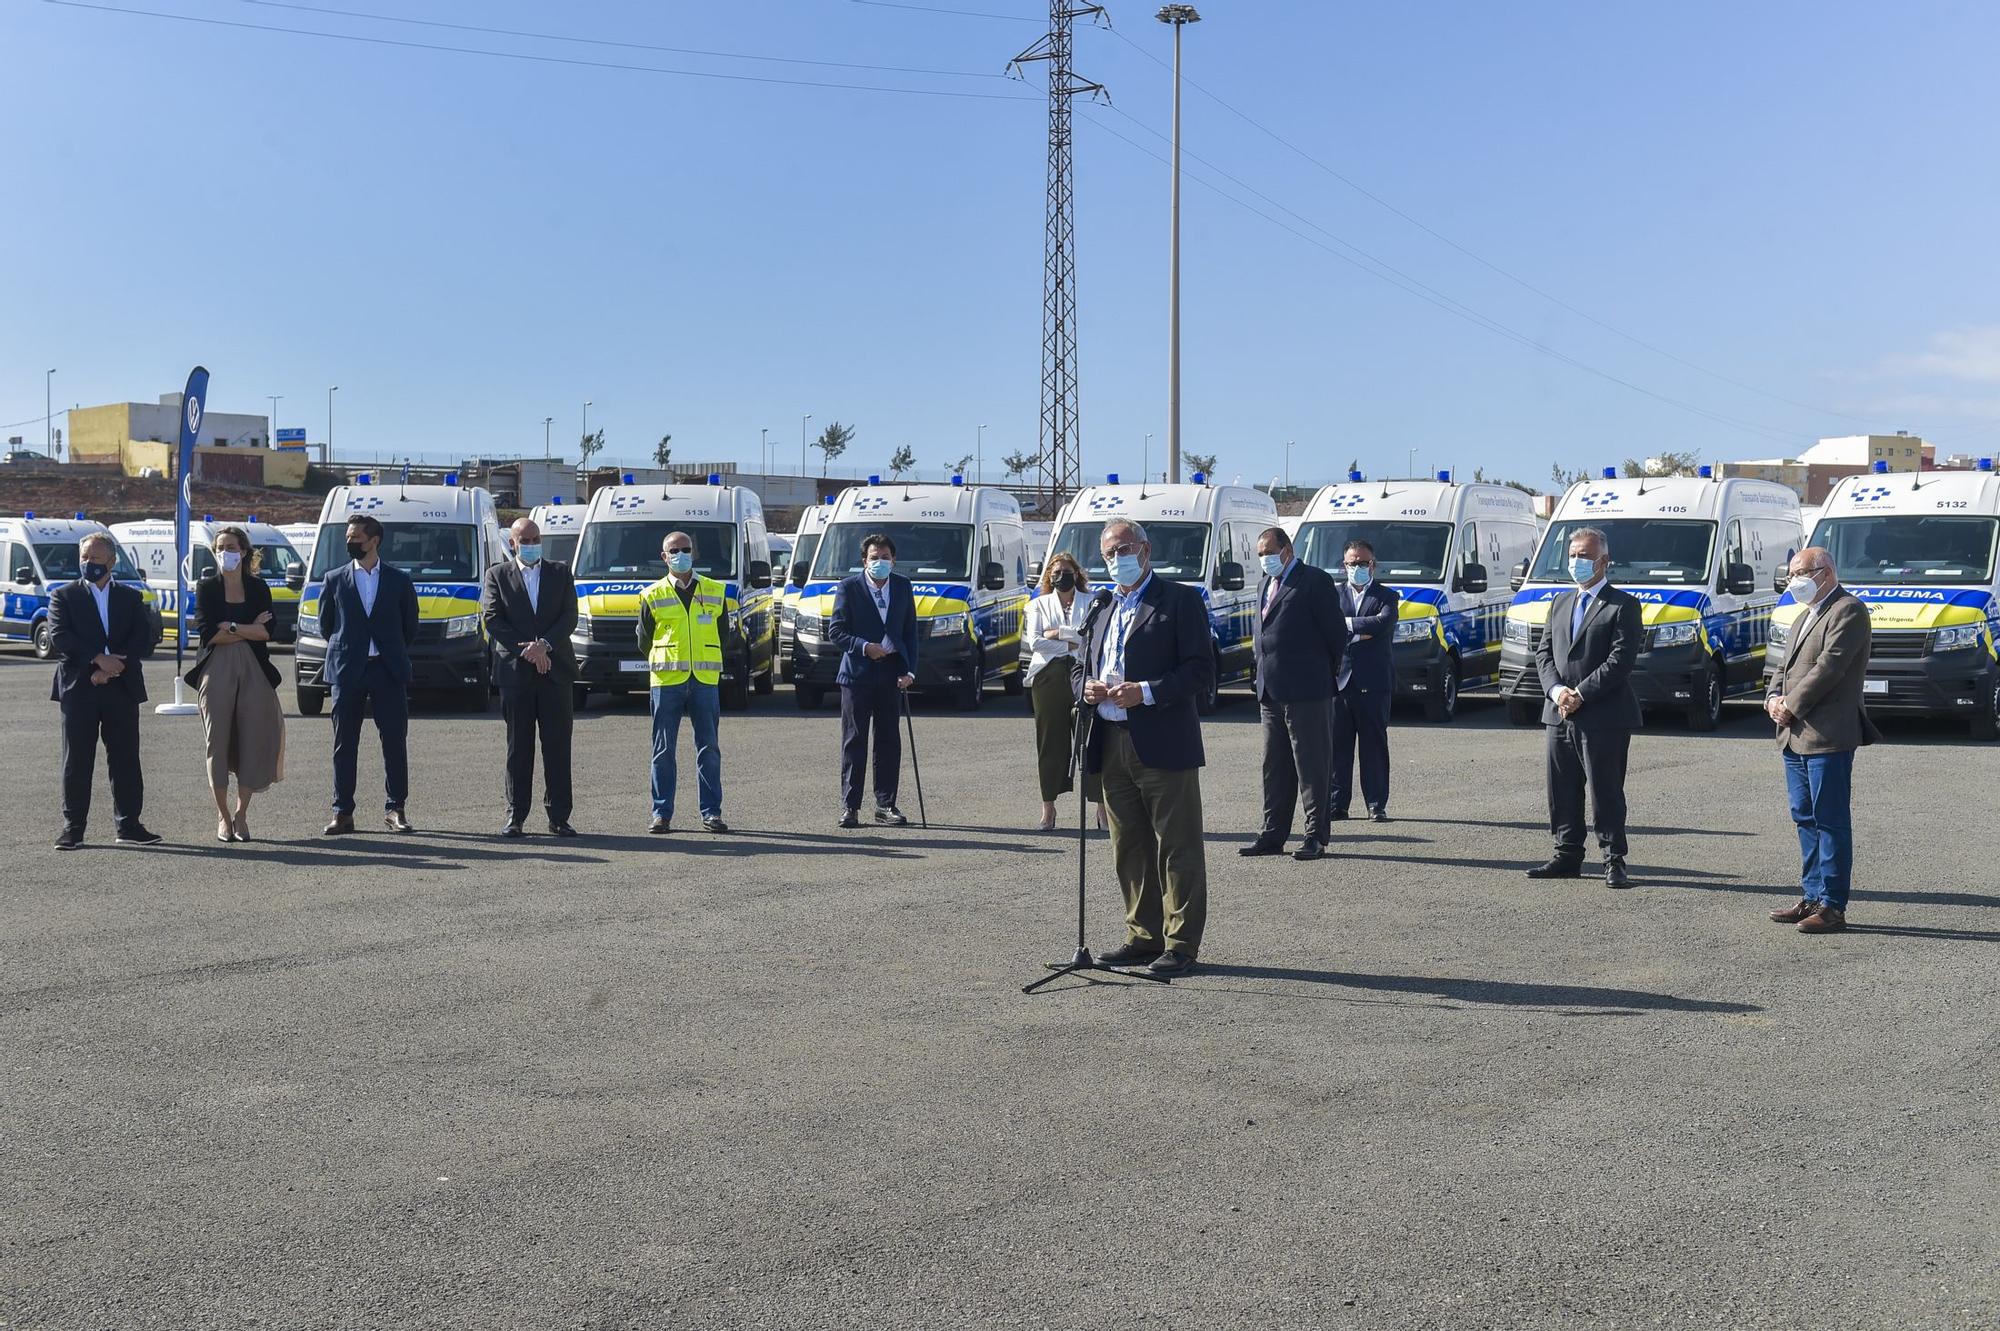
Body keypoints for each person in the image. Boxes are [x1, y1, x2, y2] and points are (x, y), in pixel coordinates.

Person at [1073, 518, 1213, 976]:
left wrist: (1146, 691)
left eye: (1124, 549)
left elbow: (1199, 671)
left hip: (1163, 742)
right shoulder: (1101, 604)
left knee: (1177, 845)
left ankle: (1181, 945)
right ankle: (1143, 935)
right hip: (1110, 742)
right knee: (1128, 845)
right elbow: (1077, 667)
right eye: (1109, 553)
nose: (1117, 559)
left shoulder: (1179, 600)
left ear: (1146, 550)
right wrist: (1087, 688)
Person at [1764, 547, 1879, 934]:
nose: (1793, 579)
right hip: (1793, 735)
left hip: (1828, 734)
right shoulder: (1803, 615)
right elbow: (1783, 664)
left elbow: (1828, 668)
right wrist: (1772, 699)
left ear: (1825, 572)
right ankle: (1812, 895)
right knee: (1804, 816)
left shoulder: (1848, 610)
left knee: (1830, 820)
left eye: (1799, 572)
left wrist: (1791, 705)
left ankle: (1832, 905)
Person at [1530, 526, 1643, 887]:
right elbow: (1543, 653)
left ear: (1604, 561)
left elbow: (1620, 660)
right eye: (1573, 555)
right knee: (1561, 788)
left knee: (1605, 789)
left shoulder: (1623, 605)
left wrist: (1580, 693)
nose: (1577, 561)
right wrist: (1557, 692)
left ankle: (1614, 860)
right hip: (1558, 713)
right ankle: (1566, 854)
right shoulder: (1560, 602)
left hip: (1603, 714)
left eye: (1585, 556)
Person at [49, 532, 161, 849]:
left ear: (111, 562)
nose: (88, 563)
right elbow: (61, 637)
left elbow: (143, 638)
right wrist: (97, 662)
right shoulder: (64, 596)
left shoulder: (129, 597)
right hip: (79, 689)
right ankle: (73, 828)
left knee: (125, 758)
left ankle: (129, 825)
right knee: (77, 760)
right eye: (84, 557)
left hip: (121, 688)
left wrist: (113, 668)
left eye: (95, 559)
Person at [1242, 526, 1346, 860]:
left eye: (1268, 552)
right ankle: (1272, 834)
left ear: (1286, 549)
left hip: (1307, 689)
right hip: (1270, 691)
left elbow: (1335, 636)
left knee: (1312, 765)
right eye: (1259, 554)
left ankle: (1315, 835)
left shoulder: (1314, 581)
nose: (1264, 559)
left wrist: (1320, 674)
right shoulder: (1263, 585)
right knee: (1274, 765)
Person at [319, 513, 420, 835]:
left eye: (356, 539)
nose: (349, 543)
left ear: (374, 541)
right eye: (348, 538)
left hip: (386, 670)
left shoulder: (399, 580)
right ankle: (342, 812)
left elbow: (409, 627)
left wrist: (386, 649)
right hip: (348, 671)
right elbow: (327, 626)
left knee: (394, 742)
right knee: (344, 744)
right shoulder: (334, 579)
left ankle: (395, 809)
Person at [186, 526, 286, 842]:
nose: (224, 552)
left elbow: (267, 632)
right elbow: (208, 634)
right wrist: (246, 627)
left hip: (254, 668)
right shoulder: (207, 588)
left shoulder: (258, 588)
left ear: (243, 551)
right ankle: (223, 816)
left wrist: (229, 626)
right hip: (215, 667)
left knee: (252, 739)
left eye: (230, 546)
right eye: (219, 547)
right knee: (217, 740)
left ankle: (241, 815)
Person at [482, 516, 579, 838]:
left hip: (556, 672)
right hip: (516, 674)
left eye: (537, 539)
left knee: (558, 747)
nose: (533, 545)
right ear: (513, 543)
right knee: (518, 748)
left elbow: (570, 616)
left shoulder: (560, 572)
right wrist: (529, 651)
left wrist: (545, 646)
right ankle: (516, 815)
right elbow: (493, 619)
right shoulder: (497, 575)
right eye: (526, 540)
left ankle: (559, 816)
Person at [635, 530, 728, 835]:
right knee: (663, 750)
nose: (680, 554)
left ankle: (711, 813)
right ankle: (661, 814)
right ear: (664, 557)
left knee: (709, 748)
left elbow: (723, 635)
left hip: (704, 680)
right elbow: (644, 640)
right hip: (667, 680)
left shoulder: (715, 590)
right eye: (673, 550)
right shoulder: (652, 595)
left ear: (694, 553)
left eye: (685, 549)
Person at [828, 532, 917, 828]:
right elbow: (836, 631)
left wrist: (909, 671)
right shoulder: (849, 588)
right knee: (855, 740)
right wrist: (865, 647)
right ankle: (850, 806)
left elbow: (910, 633)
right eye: (874, 557)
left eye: (885, 557)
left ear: (894, 560)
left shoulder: (903, 587)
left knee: (889, 740)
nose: (880, 562)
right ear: (864, 561)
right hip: (857, 675)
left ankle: (885, 804)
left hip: (892, 674)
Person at [1025, 551, 1104, 832]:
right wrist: (1070, 641)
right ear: (1049, 577)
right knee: (1051, 742)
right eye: (1056, 572)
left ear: (1077, 574)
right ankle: (1048, 807)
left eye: (1067, 571)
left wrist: (1057, 633)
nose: (1062, 576)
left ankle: (1101, 808)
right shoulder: (1038, 605)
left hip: (1084, 673)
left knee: (1091, 737)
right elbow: (1035, 642)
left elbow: (1092, 640)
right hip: (1048, 675)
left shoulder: (1092, 602)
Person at [1330, 540, 1402, 822]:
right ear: (1343, 564)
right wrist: (1361, 629)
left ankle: (1376, 804)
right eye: (1352, 562)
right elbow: (1330, 628)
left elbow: (1383, 624)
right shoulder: (1333, 595)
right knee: (1338, 747)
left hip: (1374, 683)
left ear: (1373, 564)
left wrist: (1347, 625)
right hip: (1340, 682)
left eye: (1362, 562)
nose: (1357, 567)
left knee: (1374, 746)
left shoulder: (1387, 596)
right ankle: (1337, 804)